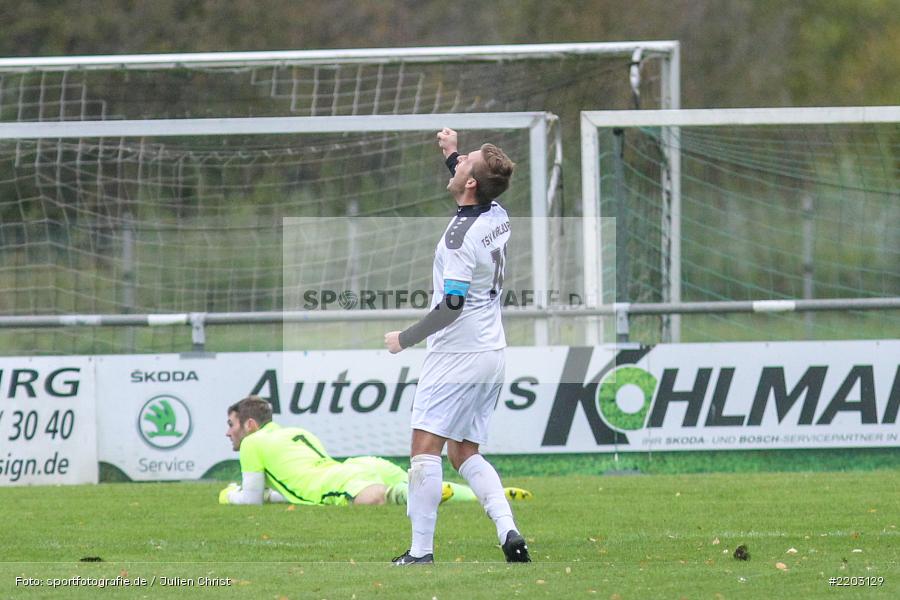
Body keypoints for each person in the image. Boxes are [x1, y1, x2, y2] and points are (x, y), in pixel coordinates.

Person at [384, 128, 530, 565]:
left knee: (424, 450)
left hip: (456, 355)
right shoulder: (497, 213)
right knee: (464, 452)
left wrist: (405, 339)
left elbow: (451, 305)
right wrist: (452, 154)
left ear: (469, 182)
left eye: (465, 160)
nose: (460, 158)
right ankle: (508, 530)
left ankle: (421, 552)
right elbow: (472, 183)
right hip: (491, 352)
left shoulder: (458, 239)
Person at [219, 395, 531, 507]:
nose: (228, 432)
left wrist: (228, 495)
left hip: (330, 483)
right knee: (415, 480)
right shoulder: (295, 432)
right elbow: (287, 486)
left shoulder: (252, 444)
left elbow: (251, 499)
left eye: (231, 424)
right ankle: (489, 494)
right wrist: (271, 496)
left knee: (378, 497)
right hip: (357, 465)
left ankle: (418, 494)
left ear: (250, 425)